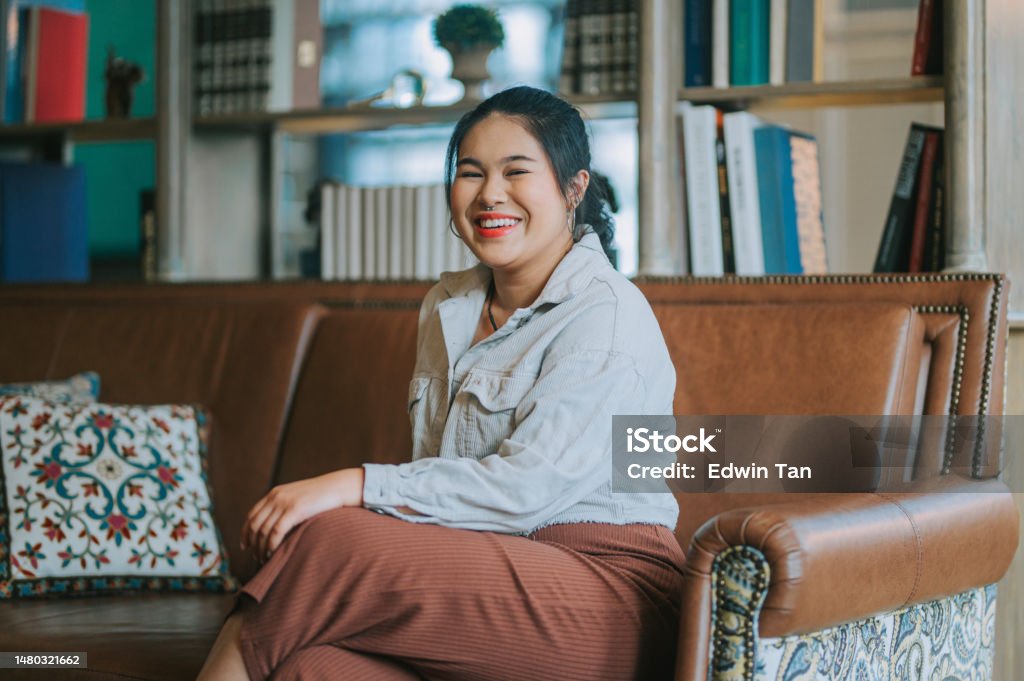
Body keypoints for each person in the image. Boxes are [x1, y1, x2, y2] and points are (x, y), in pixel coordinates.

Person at [197, 85, 684, 681]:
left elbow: (525, 491)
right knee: (313, 668)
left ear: (573, 188)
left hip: (610, 591)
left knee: (330, 541)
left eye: (516, 171)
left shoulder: (606, 312)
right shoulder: (447, 306)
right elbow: (443, 483)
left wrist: (352, 485)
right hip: (487, 569)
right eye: (471, 173)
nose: (490, 194)